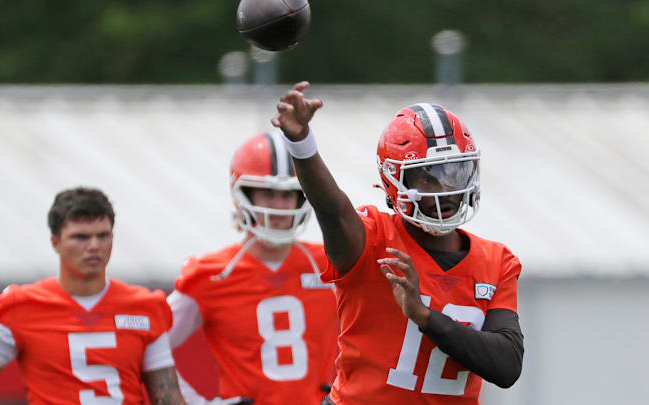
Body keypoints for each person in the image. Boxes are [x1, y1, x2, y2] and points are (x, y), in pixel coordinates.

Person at [271, 82, 524, 405]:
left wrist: (425, 316)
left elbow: (507, 365)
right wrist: (301, 144)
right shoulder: (374, 238)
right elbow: (332, 212)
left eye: (455, 172)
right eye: (428, 176)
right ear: (395, 180)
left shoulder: (496, 261)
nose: (445, 189)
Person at [0, 187, 187, 405]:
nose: (94, 246)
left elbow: (167, 399)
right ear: (55, 242)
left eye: (103, 236)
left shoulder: (143, 306)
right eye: (81, 237)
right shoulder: (21, 307)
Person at [167, 132, 338, 405]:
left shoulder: (329, 265)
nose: (279, 207)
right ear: (243, 194)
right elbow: (152, 344)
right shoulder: (212, 273)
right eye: (267, 194)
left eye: (289, 194)